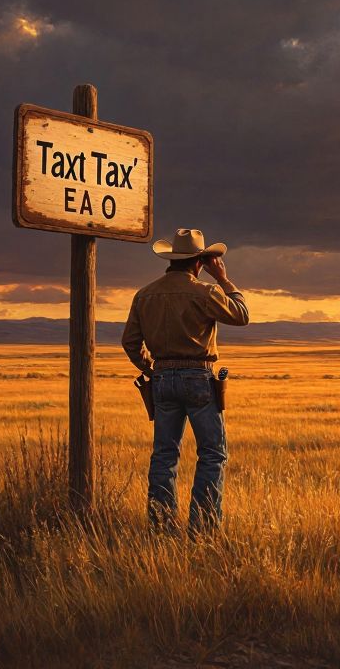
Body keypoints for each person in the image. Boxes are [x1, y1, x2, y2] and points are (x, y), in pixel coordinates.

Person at [122, 228, 249, 534]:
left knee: (165, 455)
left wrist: (153, 369)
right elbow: (241, 315)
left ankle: (162, 527)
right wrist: (222, 278)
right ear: (198, 263)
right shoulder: (205, 292)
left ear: (171, 259)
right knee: (212, 453)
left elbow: (130, 342)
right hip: (198, 377)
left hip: (163, 378)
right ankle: (202, 528)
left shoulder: (145, 294)